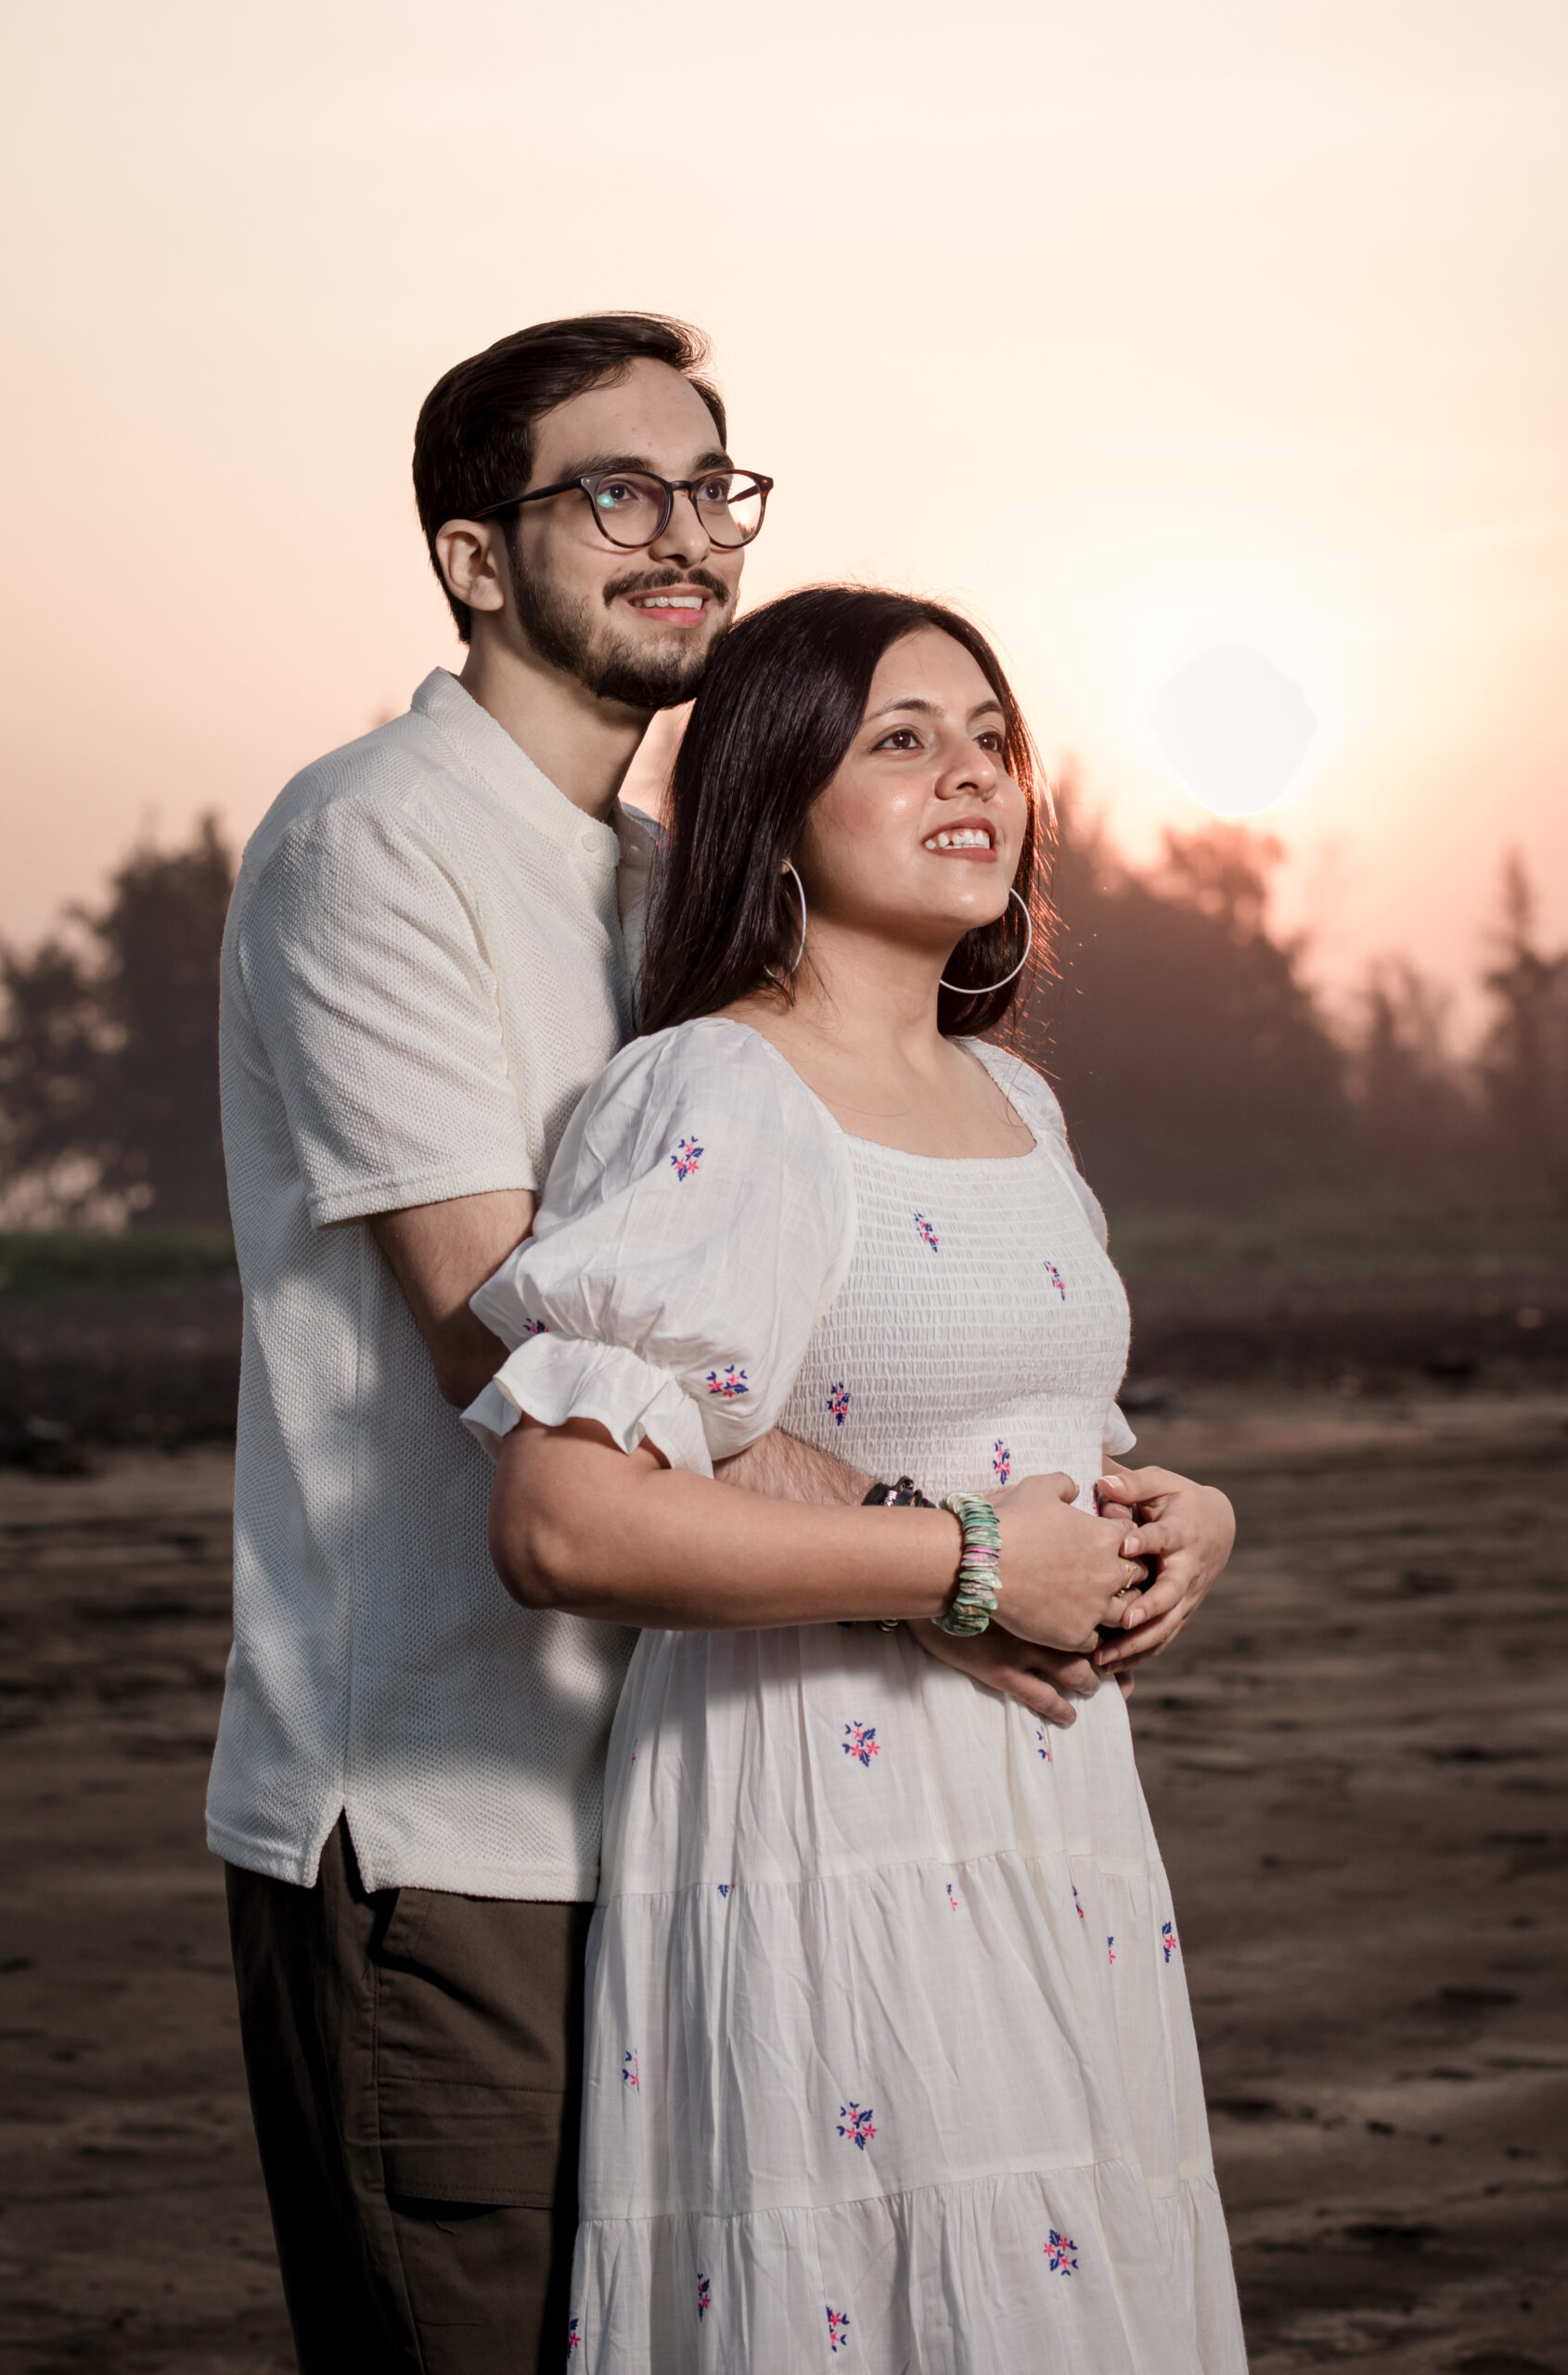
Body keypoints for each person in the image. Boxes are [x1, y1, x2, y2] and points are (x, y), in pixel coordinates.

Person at [467, 585, 1246, 2370]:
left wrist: (1182, 1520)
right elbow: (562, 1518)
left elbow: (1035, 1446)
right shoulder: (721, 1092)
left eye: (991, 740)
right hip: (826, 1821)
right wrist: (966, 1567)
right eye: (900, 739)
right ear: (772, 803)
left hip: (1054, 1823)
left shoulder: (1014, 1103)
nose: (972, 776)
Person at [208, 313, 778, 2375]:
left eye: (710, 487)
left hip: (684, 1805)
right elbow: (508, 1339)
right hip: (445, 1832)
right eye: (616, 491)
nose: (685, 534)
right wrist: (937, 1546)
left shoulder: (669, 885)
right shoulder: (370, 840)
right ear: (473, 556)